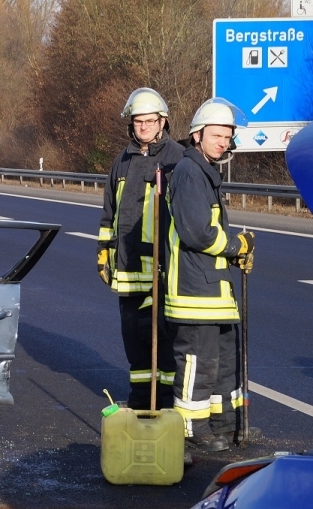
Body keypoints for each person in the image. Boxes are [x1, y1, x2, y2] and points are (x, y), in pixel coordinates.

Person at [164, 97, 258, 452]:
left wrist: (235, 256)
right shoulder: (189, 172)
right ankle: (192, 429)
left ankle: (224, 424)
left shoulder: (205, 172)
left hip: (215, 291)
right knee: (198, 364)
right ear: (197, 135)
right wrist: (236, 246)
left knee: (223, 364)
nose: (223, 142)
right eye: (217, 135)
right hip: (194, 292)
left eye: (228, 137)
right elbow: (198, 234)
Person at [97, 88, 184, 409]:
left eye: (150, 121)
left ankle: (166, 404)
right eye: (138, 121)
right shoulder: (121, 161)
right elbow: (110, 212)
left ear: (162, 121)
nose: (144, 126)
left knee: (164, 342)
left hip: (163, 270)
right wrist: (104, 251)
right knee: (134, 340)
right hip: (128, 269)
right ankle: (140, 400)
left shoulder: (177, 158)